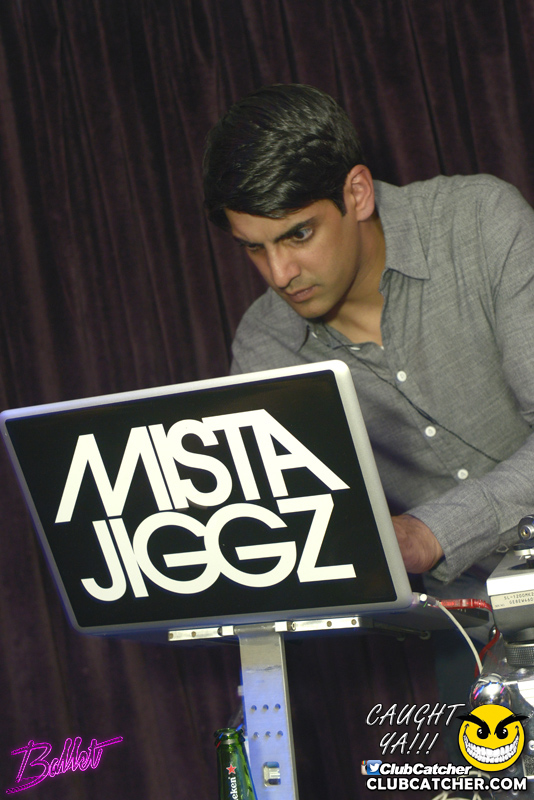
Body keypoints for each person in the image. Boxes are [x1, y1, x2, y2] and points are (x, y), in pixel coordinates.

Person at [202, 83, 534, 601]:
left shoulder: (478, 222)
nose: (280, 273)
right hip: (466, 620)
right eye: (254, 249)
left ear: (357, 193)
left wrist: (430, 532)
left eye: (298, 235)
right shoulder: (264, 348)